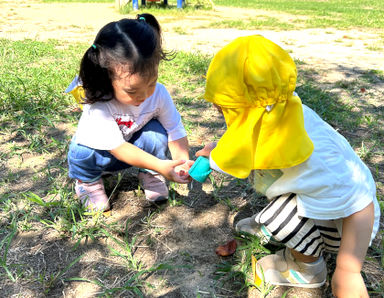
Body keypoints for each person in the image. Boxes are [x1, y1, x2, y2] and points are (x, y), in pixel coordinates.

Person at [195, 35, 380, 297]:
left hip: (349, 226)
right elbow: (243, 142)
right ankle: (302, 236)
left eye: (226, 111)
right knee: (277, 213)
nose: (222, 115)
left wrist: (349, 268)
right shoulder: (278, 112)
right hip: (325, 208)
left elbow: (360, 201)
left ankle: (307, 268)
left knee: (276, 218)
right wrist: (213, 153)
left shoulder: (323, 159)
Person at [67, 14, 192, 212]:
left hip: (131, 148)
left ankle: (151, 172)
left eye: (151, 84)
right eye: (131, 91)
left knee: (157, 133)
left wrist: (181, 162)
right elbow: (118, 148)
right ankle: (87, 182)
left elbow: (174, 129)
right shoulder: (99, 103)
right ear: (107, 77)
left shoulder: (159, 93)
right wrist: (162, 165)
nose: (144, 96)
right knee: (83, 152)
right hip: (101, 156)